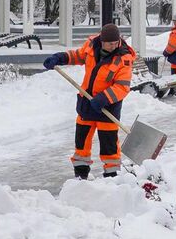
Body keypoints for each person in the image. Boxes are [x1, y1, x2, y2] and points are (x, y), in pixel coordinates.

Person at [42, 22, 135, 179]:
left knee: (109, 146)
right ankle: (80, 175)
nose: (113, 46)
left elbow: (122, 87)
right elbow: (77, 56)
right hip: (86, 104)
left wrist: (104, 98)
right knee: (81, 143)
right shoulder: (92, 47)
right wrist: (60, 58)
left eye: (115, 43)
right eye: (109, 44)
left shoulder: (123, 59)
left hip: (107, 108)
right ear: (101, 41)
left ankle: (112, 178)